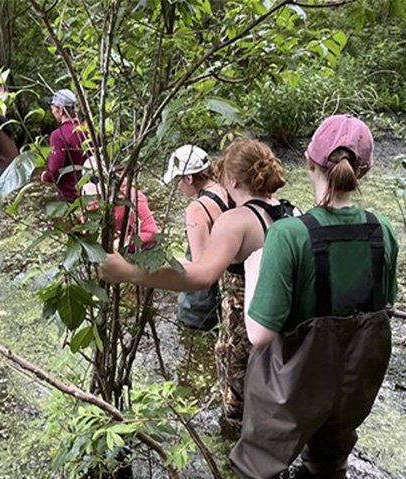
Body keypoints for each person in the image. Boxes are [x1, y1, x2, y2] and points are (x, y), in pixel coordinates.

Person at [229, 115, 398, 479]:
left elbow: (259, 334)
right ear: (364, 171)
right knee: (328, 468)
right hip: (355, 381)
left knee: (256, 478)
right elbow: (384, 304)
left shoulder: (288, 234)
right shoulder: (382, 231)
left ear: (308, 159)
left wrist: (255, 269)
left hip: (292, 385)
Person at [98, 139, 296, 419]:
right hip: (281, 320)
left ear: (234, 181)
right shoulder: (288, 211)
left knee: (238, 401)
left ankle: (239, 451)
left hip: (245, 324)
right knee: (270, 387)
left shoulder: (237, 220)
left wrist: (128, 271)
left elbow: (202, 275)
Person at [162, 145, 234, 330]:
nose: (177, 187)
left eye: (178, 180)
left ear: (189, 178)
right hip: (232, 291)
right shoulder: (228, 190)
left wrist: (166, 265)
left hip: (202, 303)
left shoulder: (197, 209)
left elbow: (200, 267)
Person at [81, 158, 159, 251]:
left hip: (140, 250)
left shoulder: (134, 199)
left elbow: (151, 232)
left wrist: (124, 242)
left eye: (98, 196)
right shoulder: (89, 198)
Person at [40, 90, 88, 201]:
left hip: (70, 196)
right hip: (91, 193)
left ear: (61, 110)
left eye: (53, 107)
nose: (51, 110)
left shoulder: (58, 135)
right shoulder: (88, 130)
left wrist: (45, 176)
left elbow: (55, 170)